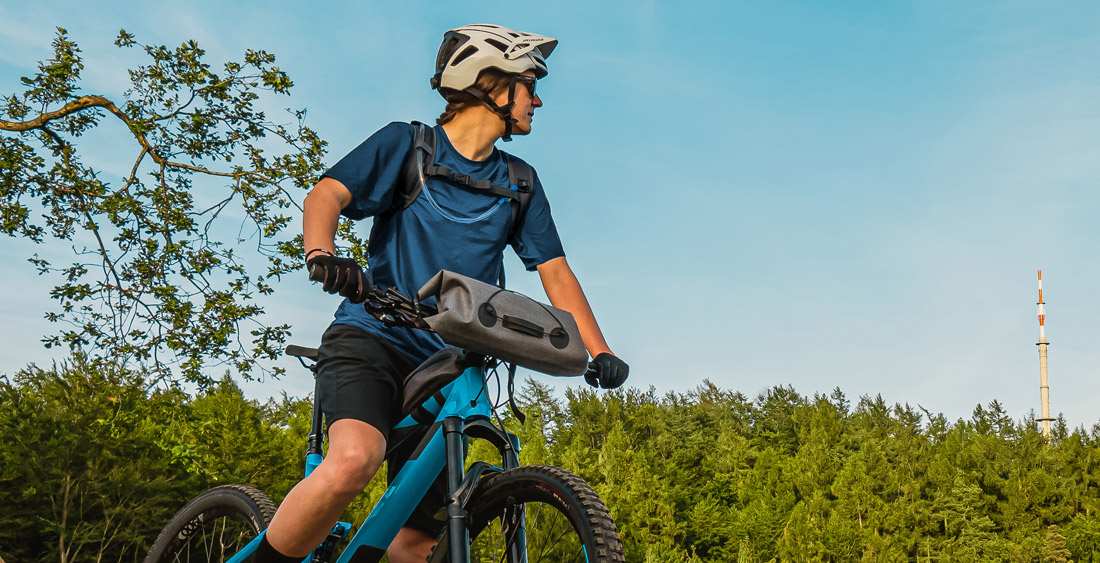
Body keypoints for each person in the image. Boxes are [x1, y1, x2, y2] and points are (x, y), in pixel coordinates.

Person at [255, 23, 629, 563]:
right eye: (531, 84)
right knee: (355, 461)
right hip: (373, 337)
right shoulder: (407, 146)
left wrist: (598, 350)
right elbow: (326, 196)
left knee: (418, 539)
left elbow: (556, 273)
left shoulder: (520, 182)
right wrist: (322, 254)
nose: (538, 98)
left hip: (449, 363)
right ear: (492, 85)